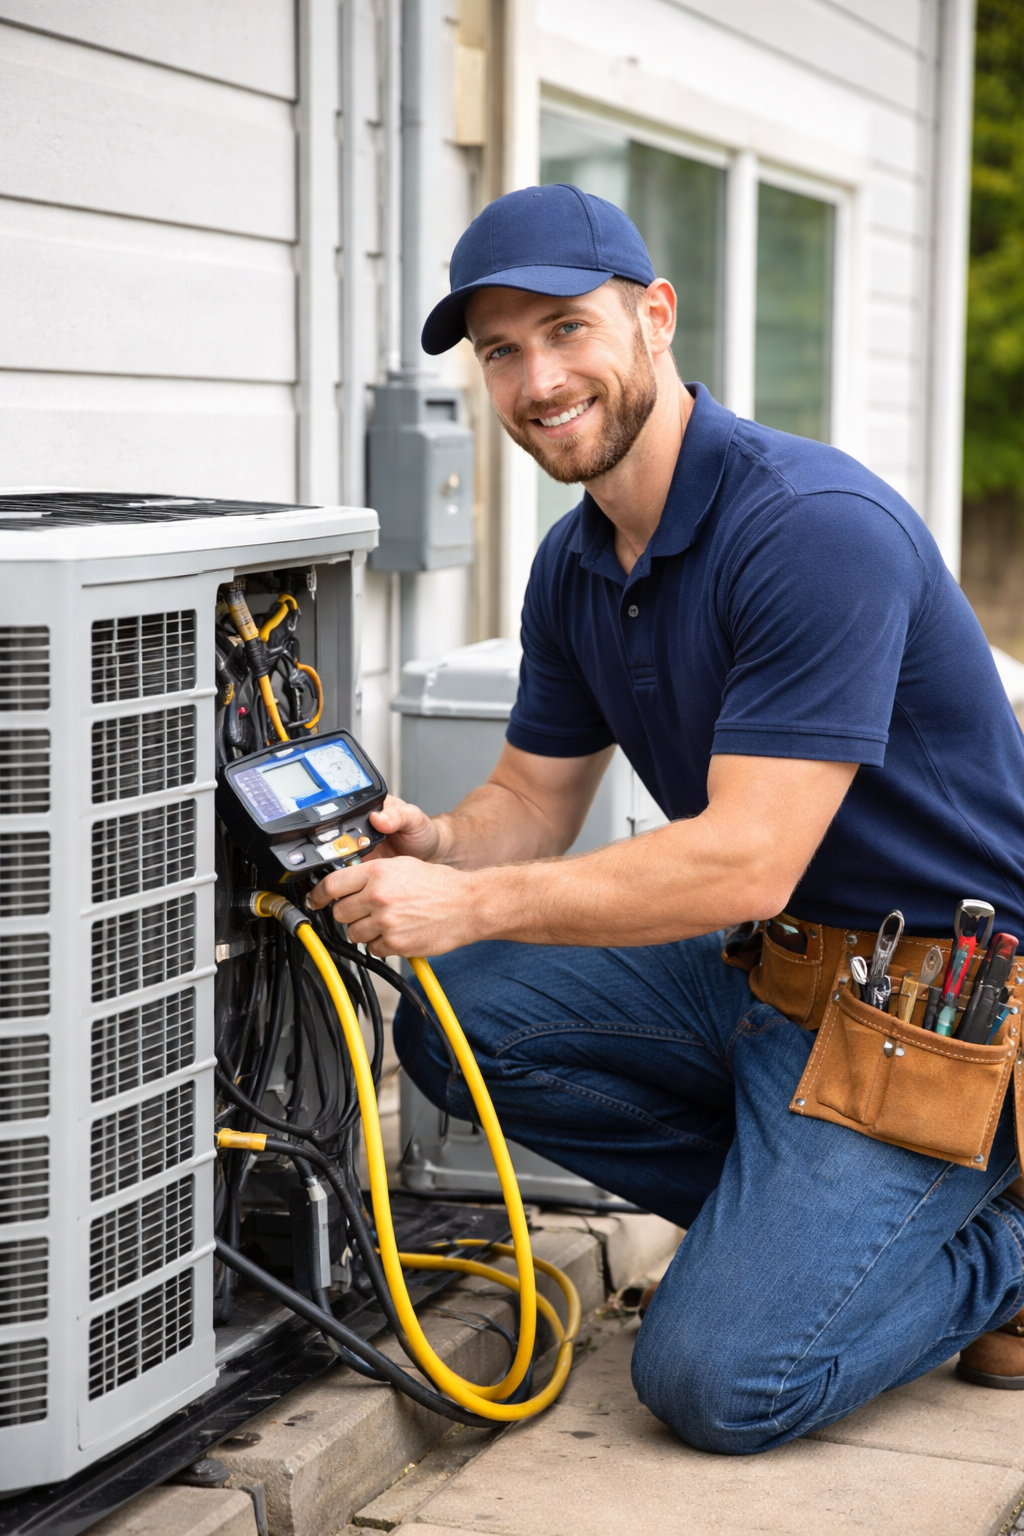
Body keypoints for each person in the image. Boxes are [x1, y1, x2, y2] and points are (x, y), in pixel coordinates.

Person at [308, 184, 1024, 1452]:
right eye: (502, 352)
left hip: (939, 1023)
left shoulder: (806, 529)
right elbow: (531, 798)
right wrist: (439, 849)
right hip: (774, 983)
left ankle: (1002, 1249)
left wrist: (471, 903)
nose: (537, 379)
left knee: (717, 1380)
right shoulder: (578, 561)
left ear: (654, 318)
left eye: (566, 329)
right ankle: (811, 1230)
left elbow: (746, 859)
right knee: (455, 1020)